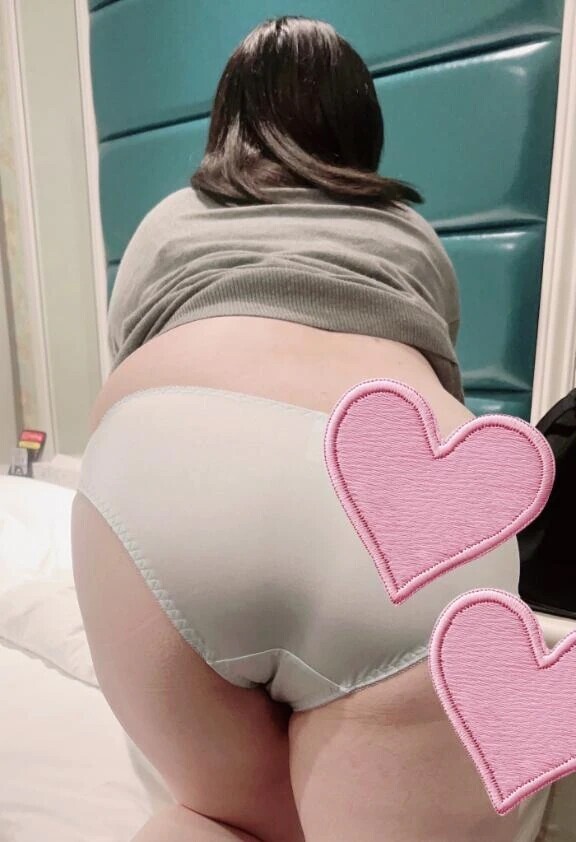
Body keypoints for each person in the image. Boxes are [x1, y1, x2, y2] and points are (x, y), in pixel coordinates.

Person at [71, 16, 529, 842]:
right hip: (393, 509)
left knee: (219, 822)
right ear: (362, 126)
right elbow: (437, 378)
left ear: (226, 120)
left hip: (166, 481)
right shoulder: (410, 233)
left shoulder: (166, 223)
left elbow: (124, 373)